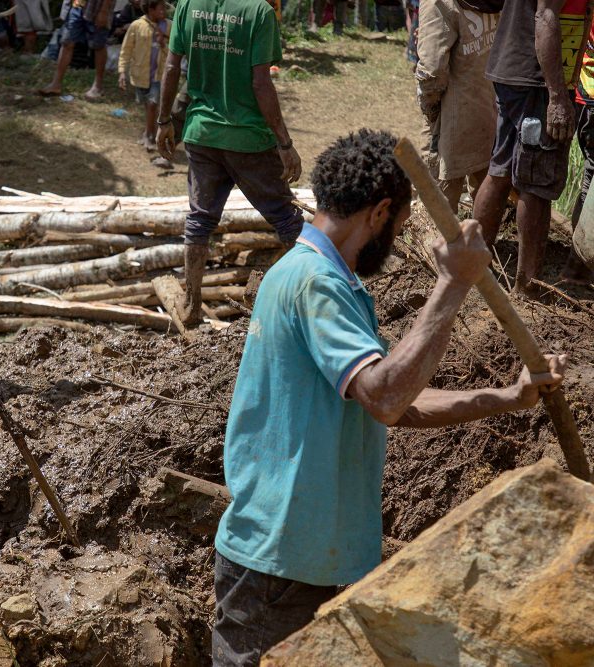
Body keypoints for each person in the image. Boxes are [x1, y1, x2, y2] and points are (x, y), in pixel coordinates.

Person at [213, 130, 568, 666]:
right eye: (400, 225)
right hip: (281, 566)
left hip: (312, 562)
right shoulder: (315, 283)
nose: (398, 241)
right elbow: (385, 397)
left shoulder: (327, 280)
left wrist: (506, 397)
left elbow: (396, 403)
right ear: (380, 212)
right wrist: (452, 285)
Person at [156, 0, 306, 326]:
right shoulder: (258, 12)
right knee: (286, 219)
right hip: (248, 138)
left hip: (201, 134)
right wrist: (284, 142)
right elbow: (260, 82)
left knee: (200, 220)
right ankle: (313, 299)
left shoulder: (188, 6)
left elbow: (170, 68)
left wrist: (164, 120)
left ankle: (191, 304)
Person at [471, 0, 585, 295]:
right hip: (536, 81)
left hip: (516, 72)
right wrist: (558, 96)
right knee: (536, 183)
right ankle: (527, 288)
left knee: (502, 169)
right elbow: (545, 15)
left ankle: (471, 266)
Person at [416, 0, 500, 212]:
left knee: (438, 210)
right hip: (491, 109)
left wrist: (430, 113)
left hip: (451, 118)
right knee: (485, 194)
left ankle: (446, 244)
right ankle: (482, 243)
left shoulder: (437, 2)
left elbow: (431, 72)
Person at [563, 20, 594, 284]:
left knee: (589, 180)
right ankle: (577, 267)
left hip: (586, 95)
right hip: (591, 98)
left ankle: (578, 265)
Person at [118, 0, 170, 157]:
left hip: (159, 75)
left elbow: (174, 52)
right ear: (151, 9)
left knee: (153, 104)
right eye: (160, 9)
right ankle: (148, 131)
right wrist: (122, 72)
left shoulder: (169, 26)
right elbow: (126, 50)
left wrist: (163, 44)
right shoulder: (137, 25)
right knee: (147, 106)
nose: (164, 12)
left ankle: (149, 136)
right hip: (140, 75)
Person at [37, 0, 113, 99]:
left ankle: (98, 86)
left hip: (96, 8)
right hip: (76, 6)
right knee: (67, 42)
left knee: (98, 45)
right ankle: (56, 84)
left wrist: (104, 11)